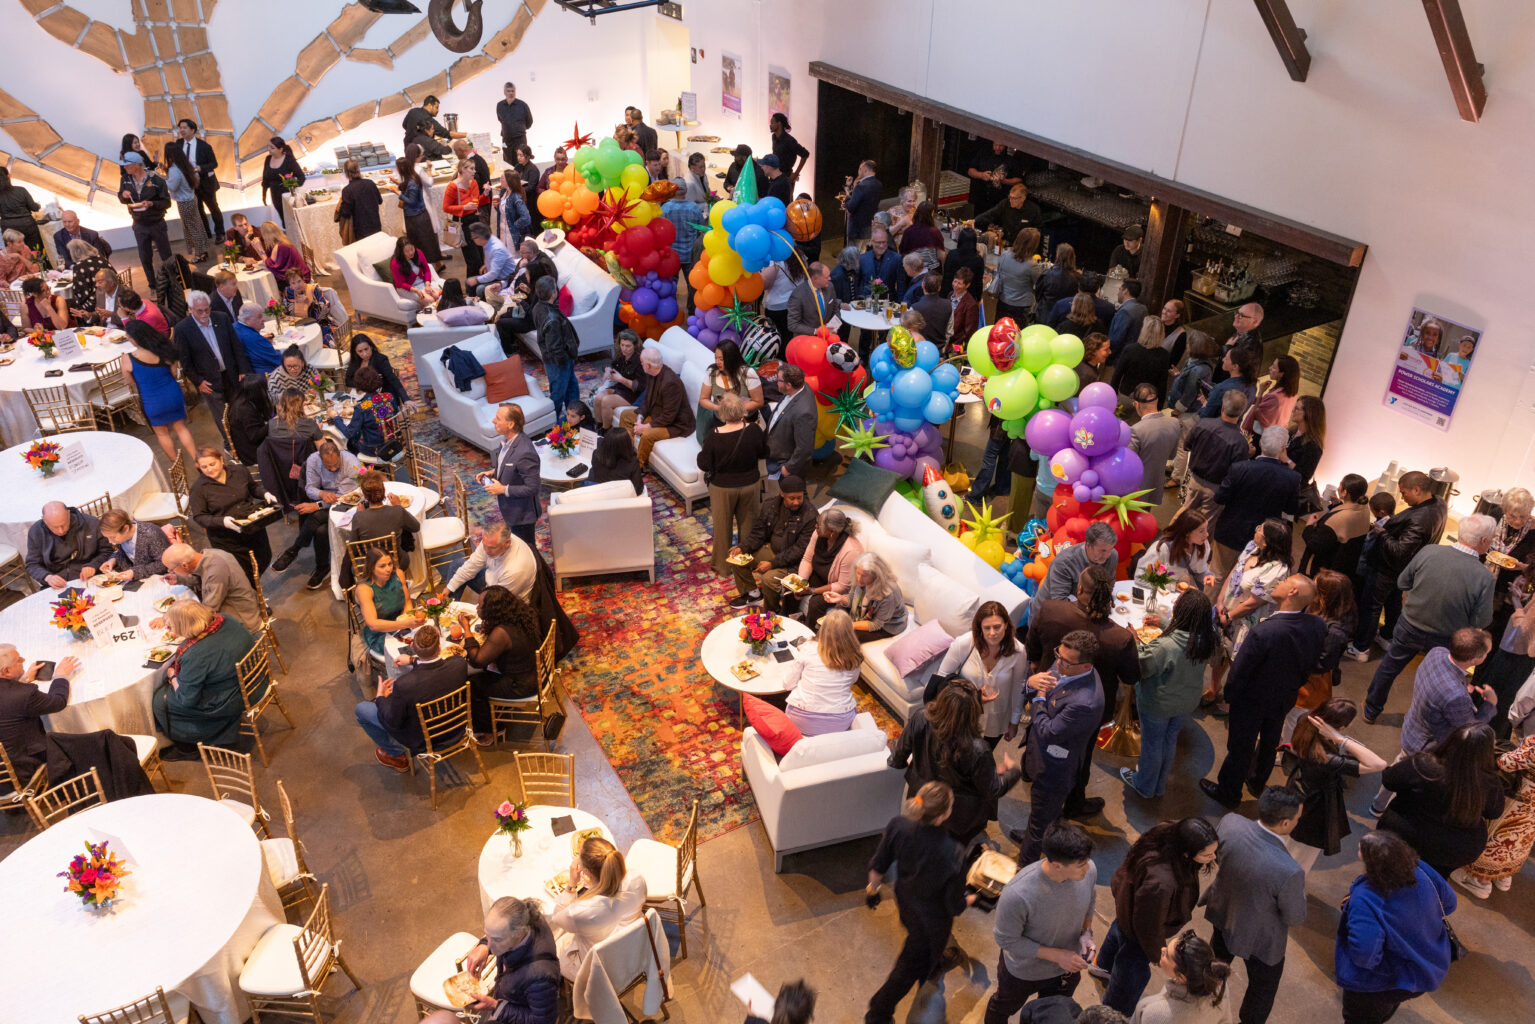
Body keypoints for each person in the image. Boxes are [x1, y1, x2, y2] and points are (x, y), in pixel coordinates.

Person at [1202, 574, 1324, 807]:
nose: (1279, 582)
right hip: (1284, 697)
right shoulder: (1317, 625)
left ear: (1293, 592)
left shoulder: (1265, 631)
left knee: (1240, 746)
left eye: (1286, 581)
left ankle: (1228, 793)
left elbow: (1240, 672)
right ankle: (1257, 783)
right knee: (1269, 741)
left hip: (1251, 700)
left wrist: (1230, 696)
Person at [1364, 514, 1495, 722]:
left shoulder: (1429, 552)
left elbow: (1402, 582)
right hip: (1448, 637)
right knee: (1439, 680)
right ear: (1484, 541)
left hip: (1410, 624)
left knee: (1389, 667)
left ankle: (1370, 711)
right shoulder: (1485, 577)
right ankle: (1423, 720)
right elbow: (1481, 620)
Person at [864, 781, 974, 1024]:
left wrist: (872, 891)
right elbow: (953, 905)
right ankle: (878, 1012)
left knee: (919, 953)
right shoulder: (952, 852)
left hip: (906, 903)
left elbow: (878, 866)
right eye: (951, 804)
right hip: (931, 922)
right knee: (908, 967)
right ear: (944, 814)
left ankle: (931, 965)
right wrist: (972, 897)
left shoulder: (898, 826)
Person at [1200, 788, 1305, 1024]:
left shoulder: (1230, 823)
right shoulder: (1290, 871)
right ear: (1286, 823)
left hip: (1224, 913)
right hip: (1262, 939)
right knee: (1262, 990)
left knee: (1214, 965)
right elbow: (1295, 916)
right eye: (1298, 818)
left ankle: (1202, 1006)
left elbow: (1218, 856)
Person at [1096, 819, 1219, 1014]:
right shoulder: (1162, 882)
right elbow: (1147, 927)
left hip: (1127, 907)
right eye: (1207, 854)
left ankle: (1102, 965)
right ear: (1187, 852)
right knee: (1132, 972)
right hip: (1139, 931)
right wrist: (1159, 955)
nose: (1213, 857)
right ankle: (1114, 1012)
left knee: (1118, 930)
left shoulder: (1168, 834)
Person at [1336, 831, 1457, 1024]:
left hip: (1382, 984)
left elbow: (1364, 954)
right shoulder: (1421, 868)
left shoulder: (1366, 898)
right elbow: (1450, 903)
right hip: (1426, 969)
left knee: (1360, 1018)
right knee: (1386, 1008)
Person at [984, 821, 1097, 1023]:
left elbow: (1091, 898)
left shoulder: (1088, 871)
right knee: (1002, 1008)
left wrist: (1086, 932)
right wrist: (1057, 955)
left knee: (1052, 1013)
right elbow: (1006, 940)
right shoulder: (1018, 894)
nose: (1087, 868)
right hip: (1024, 971)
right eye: (1081, 864)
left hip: (1065, 970)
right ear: (1057, 865)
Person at [888, 681, 1021, 846]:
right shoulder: (977, 748)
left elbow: (899, 756)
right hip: (958, 815)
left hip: (922, 794)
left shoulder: (921, 717)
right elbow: (994, 788)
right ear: (973, 713)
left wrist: (904, 761)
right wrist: (1012, 771)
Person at [1017, 631, 1107, 863]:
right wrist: (1031, 684)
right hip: (1040, 756)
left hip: (1053, 770)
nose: (1057, 663)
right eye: (1058, 654)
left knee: (1039, 826)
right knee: (1045, 816)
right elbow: (1042, 682)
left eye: (1065, 661)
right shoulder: (1066, 666)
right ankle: (1036, 832)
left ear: (1085, 665)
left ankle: (1026, 866)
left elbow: (1048, 732)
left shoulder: (1085, 702)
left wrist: (1039, 696)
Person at [1121, 590, 1219, 798]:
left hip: (1159, 704)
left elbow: (1142, 667)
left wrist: (1135, 641)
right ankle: (1159, 785)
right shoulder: (1207, 640)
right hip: (1187, 702)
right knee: (1169, 740)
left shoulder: (1164, 647)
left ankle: (1145, 786)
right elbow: (1186, 636)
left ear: (1180, 613)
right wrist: (1164, 623)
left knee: (1152, 744)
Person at [1377, 723, 1506, 879]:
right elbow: (1494, 812)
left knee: (1390, 870)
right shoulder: (1489, 782)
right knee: (1432, 879)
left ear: (1451, 740)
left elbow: (1389, 780)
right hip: (1455, 850)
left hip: (1405, 833)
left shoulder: (1422, 764)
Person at [1349, 470, 1447, 661]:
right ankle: (1387, 636)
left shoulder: (1419, 518)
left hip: (1387, 569)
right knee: (1393, 601)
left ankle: (1360, 648)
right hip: (1405, 569)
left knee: (1372, 606)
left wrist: (1381, 532)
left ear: (1417, 489)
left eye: (1404, 492)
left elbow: (1399, 551)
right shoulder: (1440, 504)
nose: (1402, 497)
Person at [1284, 699, 1389, 872]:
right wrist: (1341, 740)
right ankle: (1289, 886)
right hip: (1316, 809)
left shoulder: (1306, 720)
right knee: (1302, 856)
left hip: (1298, 791)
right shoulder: (1326, 758)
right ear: (1340, 728)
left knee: (1291, 841)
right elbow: (1378, 764)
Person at [153, 597, 258, 758]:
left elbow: (187, 700)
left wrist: (173, 676)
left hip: (235, 697)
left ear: (183, 626)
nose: (169, 628)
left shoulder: (196, 654)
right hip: (255, 677)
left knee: (161, 700)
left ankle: (189, 745)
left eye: (171, 626)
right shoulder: (225, 619)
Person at [356, 623, 469, 772]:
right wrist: (412, 660)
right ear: (440, 648)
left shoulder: (404, 685)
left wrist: (380, 698)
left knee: (361, 709)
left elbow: (393, 722)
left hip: (424, 740)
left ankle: (396, 755)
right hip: (458, 728)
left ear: (414, 649)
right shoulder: (459, 664)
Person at [434, 897, 560, 1024]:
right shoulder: (525, 916)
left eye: (497, 940)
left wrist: (496, 1006)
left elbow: (543, 1021)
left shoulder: (539, 977)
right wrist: (483, 946)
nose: (490, 946)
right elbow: (496, 933)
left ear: (519, 932)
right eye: (487, 936)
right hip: (510, 992)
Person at [547, 835, 647, 982]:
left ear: (585, 872)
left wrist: (571, 884)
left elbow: (557, 918)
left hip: (601, 968)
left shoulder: (581, 911)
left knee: (552, 943)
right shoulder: (636, 878)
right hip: (635, 948)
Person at [1453, 729, 1535, 896]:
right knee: (1521, 838)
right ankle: (1504, 876)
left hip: (1519, 798)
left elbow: (1507, 763)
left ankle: (1480, 882)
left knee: (1497, 836)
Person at [1210, 427, 1300, 575]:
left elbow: (1220, 497)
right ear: (1283, 449)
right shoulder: (1292, 478)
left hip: (1230, 531)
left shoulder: (1240, 468)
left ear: (1260, 444)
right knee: (1247, 583)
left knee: (1217, 576)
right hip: (1264, 540)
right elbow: (1291, 509)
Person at [458, 584, 541, 735]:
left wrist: (467, 630)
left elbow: (477, 660)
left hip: (521, 685)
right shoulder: (518, 615)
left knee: (470, 685)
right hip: (534, 672)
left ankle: (491, 730)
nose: (477, 608)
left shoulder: (501, 633)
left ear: (492, 610)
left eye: (480, 606)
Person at [698, 394, 768, 575]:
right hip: (750, 484)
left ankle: (723, 566)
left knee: (723, 527)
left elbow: (703, 464)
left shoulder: (713, 437)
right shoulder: (753, 430)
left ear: (722, 413)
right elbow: (764, 452)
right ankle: (746, 564)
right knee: (749, 526)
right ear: (742, 410)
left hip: (722, 488)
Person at [939, 601, 1025, 745]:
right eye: (987, 628)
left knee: (983, 758)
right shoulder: (964, 643)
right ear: (979, 628)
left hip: (996, 719)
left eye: (997, 627)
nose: (992, 633)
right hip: (962, 716)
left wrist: (1014, 721)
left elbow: (1018, 687)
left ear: (1006, 625)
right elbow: (941, 678)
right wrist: (974, 698)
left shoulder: (1018, 651)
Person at [173, 289, 251, 448]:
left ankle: (246, 439)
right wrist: (198, 382)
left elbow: (236, 346)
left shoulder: (221, 318)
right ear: (190, 309)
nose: (204, 314)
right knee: (221, 416)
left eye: (206, 309)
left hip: (232, 375)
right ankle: (231, 444)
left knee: (239, 408)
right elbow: (185, 361)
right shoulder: (182, 329)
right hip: (209, 381)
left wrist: (242, 370)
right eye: (199, 311)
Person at [188, 446, 276, 580]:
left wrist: (264, 493)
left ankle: (254, 588)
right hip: (227, 538)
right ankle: (252, 595)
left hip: (252, 526)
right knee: (242, 573)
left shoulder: (239, 471)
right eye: (204, 467)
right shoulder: (198, 489)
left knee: (264, 558)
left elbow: (253, 487)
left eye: (212, 464)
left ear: (221, 460)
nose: (209, 469)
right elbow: (199, 517)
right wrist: (222, 521)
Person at [730, 475, 816, 610]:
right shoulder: (770, 505)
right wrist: (743, 547)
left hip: (793, 563)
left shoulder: (810, 515)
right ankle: (753, 594)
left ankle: (772, 611)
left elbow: (799, 550)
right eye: (792, 498)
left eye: (799, 498)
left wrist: (772, 564)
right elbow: (759, 532)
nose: (796, 502)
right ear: (782, 494)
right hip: (773, 551)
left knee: (768, 579)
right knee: (736, 557)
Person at [0, 648, 84, 782]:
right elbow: (58, 702)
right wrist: (61, 676)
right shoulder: (24, 695)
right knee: (101, 741)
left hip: (3, 775)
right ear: (6, 671)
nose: (24, 660)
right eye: (18, 660)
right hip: (26, 770)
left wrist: (24, 679)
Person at [780, 610, 864, 736]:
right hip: (841, 722)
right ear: (850, 631)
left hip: (801, 719)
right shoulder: (855, 657)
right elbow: (852, 682)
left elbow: (787, 684)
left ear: (823, 629)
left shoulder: (808, 648)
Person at [159, 543, 263, 634]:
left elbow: (207, 611)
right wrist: (180, 579)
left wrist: (171, 619)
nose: (171, 571)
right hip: (247, 604)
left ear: (184, 565)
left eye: (172, 569)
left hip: (244, 621)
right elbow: (203, 578)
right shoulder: (211, 553)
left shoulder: (215, 574)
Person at [1130, 930, 1230, 1024]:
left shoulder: (1155, 1014)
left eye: (1167, 956)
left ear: (1181, 977)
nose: (1162, 949)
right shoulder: (1220, 986)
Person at [783, 510, 863, 622]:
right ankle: (787, 623)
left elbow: (842, 586)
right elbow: (807, 559)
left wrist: (812, 590)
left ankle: (811, 633)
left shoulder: (851, 551)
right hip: (820, 576)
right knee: (791, 588)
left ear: (832, 531)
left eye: (819, 525)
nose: (816, 526)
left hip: (839, 588)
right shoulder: (818, 533)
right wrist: (801, 583)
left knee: (816, 603)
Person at [620, 348, 695, 468]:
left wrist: (645, 427)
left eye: (642, 362)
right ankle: (626, 453)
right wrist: (639, 419)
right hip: (657, 414)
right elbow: (647, 400)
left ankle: (637, 466)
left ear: (648, 365)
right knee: (625, 415)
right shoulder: (651, 374)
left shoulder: (670, 383)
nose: (641, 364)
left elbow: (669, 417)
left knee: (647, 435)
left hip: (676, 424)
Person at [1179, 390, 1250, 516]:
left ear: (1222, 407)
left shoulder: (1203, 424)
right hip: (1216, 489)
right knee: (1205, 523)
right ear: (1242, 412)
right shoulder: (1240, 442)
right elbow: (1238, 473)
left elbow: (1187, 446)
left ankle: (1170, 535)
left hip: (1194, 480)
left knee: (1184, 514)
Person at [483, 403, 542, 547]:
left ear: (510, 424)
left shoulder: (524, 451)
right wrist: (492, 473)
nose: (493, 421)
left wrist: (503, 489)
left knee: (528, 551)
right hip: (511, 510)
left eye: (498, 418)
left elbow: (533, 487)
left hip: (523, 515)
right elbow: (510, 466)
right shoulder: (505, 442)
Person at [355, 547, 424, 668]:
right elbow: (373, 624)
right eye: (382, 566)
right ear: (371, 568)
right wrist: (406, 624)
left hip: (401, 624)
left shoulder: (398, 574)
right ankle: (406, 681)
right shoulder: (364, 589)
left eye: (390, 564)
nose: (388, 569)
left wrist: (406, 619)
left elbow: (407, 601)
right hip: (379, 633)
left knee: (427, 641)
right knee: (412, 650)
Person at [25, 501, 112, 589]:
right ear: (44, 520)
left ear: (68, 514)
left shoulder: (91, 523)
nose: (61, 531)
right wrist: (47, 577)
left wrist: (93, 565)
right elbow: (32, 564)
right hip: (58, 582)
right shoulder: (36, 532)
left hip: (90, 577)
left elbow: (107, 551)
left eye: (64, 525)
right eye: (55, 527)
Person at [824, 553, 907, 643]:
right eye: (858, 573)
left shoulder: (888, 593)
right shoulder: (859, 580)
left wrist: (849, 625)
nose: (859, 578)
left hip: (887, 625)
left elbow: (876, 624)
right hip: (867, 612)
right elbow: (852, 599)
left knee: (848, 636)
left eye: (864, 575)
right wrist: (840, 598)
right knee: (835, 613)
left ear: (875, 575)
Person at [1299, 473, 1372, 577]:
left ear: (1345, 493)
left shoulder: (1336, 520)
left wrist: (1309, 525)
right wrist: (1337, 505)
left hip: (1327, 569)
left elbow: (1315, 545)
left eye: (1340, 485)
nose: (1338, 488)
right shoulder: (1365, 508)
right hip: (1347, 566)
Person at [117, 151, 171, 284]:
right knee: (145, 257)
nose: (124, 167)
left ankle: (173, 282)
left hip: (157, 223)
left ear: (137, 165)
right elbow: (121, 197)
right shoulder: (125, 180)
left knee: (166, 256)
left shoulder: (156, 180)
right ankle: (152, 285)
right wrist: (123, 195)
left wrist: (152, 204)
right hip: (139, 224)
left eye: (127, 165)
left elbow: (167, 202)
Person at [1139, 507, 1217, 589]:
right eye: (1201, 531)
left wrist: (1207, 575)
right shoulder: (1163, 548)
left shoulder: (1202, 545)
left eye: (1206, 529)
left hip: (1187, 594)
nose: (1207, 534)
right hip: (1162, 594)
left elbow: (1199, 571)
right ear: (1187, 532)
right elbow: (1141, 577)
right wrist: (1175, 586)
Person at [1040, 522, 1119, 601]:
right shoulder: (1064, 563)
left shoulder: (1113, 555)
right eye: (1103, 551)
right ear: (1088, 545)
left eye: (1110, 549)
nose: (1107, 555)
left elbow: (1109, 583)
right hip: (1047, 609)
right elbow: (1060, 603)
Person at [1127, 385, 1182, 496]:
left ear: (1137, 404)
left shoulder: (1136, 430)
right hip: (1155, 484)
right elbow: (1172, 455)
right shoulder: (1174, 423)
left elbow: (1129, 464)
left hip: (1135, 489)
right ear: (1156, 400)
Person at [395, 147, 444, 270]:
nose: (422, 157)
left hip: (417, 213)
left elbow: (411, 199)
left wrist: (397, 192)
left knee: (424, 239)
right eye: (421, 155)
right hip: (420, 210)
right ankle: (435, 262)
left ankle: (431, 263)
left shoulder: (412, 174)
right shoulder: (414, 172)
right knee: (427, 237)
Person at [764, 363, 815, 480]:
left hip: (787, 466)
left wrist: (788, 468)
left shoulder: (803, 412)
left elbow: (804, 448)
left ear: (788, 385)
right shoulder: (800, 387)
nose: (776, 382)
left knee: (793, 496)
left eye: (779, 380)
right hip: (779, 458)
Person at [162, 141, 208, 262]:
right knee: (197, 225)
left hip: (184, 203)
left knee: (191, 228)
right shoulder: (185, 165)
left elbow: (172, 186)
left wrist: (161, 179)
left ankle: (198, 255)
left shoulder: (174, 170)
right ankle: (203, 251)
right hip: (191, 199)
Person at [96, 509, 172, 581]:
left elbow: (165, 564)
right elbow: (122, 552)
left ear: (125, 528)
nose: (110, 541)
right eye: (107, 538)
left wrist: (135, 572)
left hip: (159, 579)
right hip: (136, 579)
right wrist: (113, 560)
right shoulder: (123, 536)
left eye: (112, 537)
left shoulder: (151, 534)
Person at [700, 339, 765, 421]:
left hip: (744, 422)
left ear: (731, 358)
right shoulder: (711, 372)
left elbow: (758, 402)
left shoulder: (748, 373)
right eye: (716, 358)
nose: (717, 362)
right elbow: (703, 399)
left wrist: (734, 408)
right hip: (721, 421)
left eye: (721, 359)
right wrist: (718, 408)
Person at [1113, 317, 1171, 407]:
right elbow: (1162, 383)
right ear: (1161, 334)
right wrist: (1159, 405)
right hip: (1147, 400)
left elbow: (1117, 375)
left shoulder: (1130, 349)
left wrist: (1113, 394)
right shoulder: (1164, 355)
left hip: (1126, 395)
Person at [344, 333, 410, 411]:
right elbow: (348, 381)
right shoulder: (355, 361)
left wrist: (406, 399)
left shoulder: (380, 359)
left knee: (359, 413)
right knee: (348, 408)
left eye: (366, 349)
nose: (364, 354)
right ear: (355, 352)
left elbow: (393, 380)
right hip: (363, 397)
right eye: (360, 351)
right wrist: (364, 384)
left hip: (383, 397)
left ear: (371, 346)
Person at [1196, 339, 1259, 419]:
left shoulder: (1221, 389)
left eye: (1226, 358)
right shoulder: (1253, 387)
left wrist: (1205, 405)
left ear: (1235, 366)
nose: (1223, 359)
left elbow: (1205, 417)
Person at [1241, 355, 1301, 438]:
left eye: (1273, 367)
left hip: (1261, 435)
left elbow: (1257, 412)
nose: (1270, 368)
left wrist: (1260, 393)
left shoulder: (1275, 396)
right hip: (1275, 435)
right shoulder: (1292, 393)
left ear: (1282, 373)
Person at [1167, 331, 1217, 416]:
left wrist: (1177, 411)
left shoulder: (1198, 370)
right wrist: (1179, 375)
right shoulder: (1193, 360)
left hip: (1185, 412)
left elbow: (1189, 393)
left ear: (1194, 347)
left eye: (1188, 344)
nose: (1186, 346)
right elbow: (1189, 380)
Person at [226, 373, 272, 467]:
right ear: (256, 392)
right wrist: (273, 423)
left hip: (250, 444)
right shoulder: (245, 410)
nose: (266, 391)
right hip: (252, 452)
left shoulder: (242, 399)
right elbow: (254, 436)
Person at [787, 261, 841, 338]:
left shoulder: (830, 287)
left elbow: (835, 308)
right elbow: (793, 325)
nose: (830, 278)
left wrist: (834, 325)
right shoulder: (798, 295)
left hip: (827, 336)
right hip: (808, 340)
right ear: (815, 278)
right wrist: (816, 331)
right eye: (827, 277)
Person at [259, 137, 304, 228]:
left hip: (288, 197)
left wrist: (291, 186)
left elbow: (301, 177)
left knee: (293, 221)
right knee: (284, 221)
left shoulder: (289, 160)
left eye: (272, 148)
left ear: (280, 149)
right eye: (268, 147)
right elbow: (265, 179)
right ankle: (289, 239)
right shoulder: (268, 159)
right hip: (275, 196)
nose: (269, 150)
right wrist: (264, 194)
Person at [975, 183, 1042, 245]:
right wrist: (974, 221)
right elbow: (988, 215)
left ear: (1023, 198)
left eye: (1014, 198)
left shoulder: (1033, 210)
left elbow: (1037, 231)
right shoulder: (1005, 204)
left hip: (1022, 245)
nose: (1010, 200)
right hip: (1005, 243)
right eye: (1010, 197)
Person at [585, 427, 644, 497]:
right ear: (626, 444)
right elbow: (637, 489)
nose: (633, 438)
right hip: (621, 500)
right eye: (631, 437)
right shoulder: (632, 462)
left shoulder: (596, 454)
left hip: (598, 496)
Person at [0, 166, 44, 253]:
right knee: (35, 253)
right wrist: (38, 205)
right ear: (8, 176)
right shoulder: (21, 190)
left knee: (15, 256)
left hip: (9, 228)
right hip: (28, 225)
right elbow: (34, 208)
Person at [231, 303, 280, 375]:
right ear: (247, 320)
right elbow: (277, 360)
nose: (263, 319)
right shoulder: (255, 338)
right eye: (259, 317)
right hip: (267, 375)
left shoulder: (234, 326)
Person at [390, 237, 438, 309]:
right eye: (406, 251)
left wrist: (427, 285)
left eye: (412, 249)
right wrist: (416, 291)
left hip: (421, 283)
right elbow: (400, 283)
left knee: (437, 295)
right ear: (401, 252)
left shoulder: (418, 253)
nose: (410, 252)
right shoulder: (395, 263)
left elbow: (426, 270)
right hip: (406, 289)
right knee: (430, 300)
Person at [842, 159, 881, 243]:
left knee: (854, 254)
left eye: (860, 169)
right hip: (870, 227)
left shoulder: (861, 186)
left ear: (865, 170)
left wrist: (847, 197)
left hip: (857, 230)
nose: (858, 171)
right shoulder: (878, 184)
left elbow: (851, 207)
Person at [1108, 280, 1149, 358]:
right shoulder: (1143, 308)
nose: (1117, 293)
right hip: (1134, 355)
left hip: (1119, 357)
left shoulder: (1125, 311)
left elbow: (1116, 339)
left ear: (1125, 291)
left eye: (1119, 289)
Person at [1037, 243, 1082, 314]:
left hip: (1045, 315)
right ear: (1073, 257)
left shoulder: (1047, 274)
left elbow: (1038, 294)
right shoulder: (1078, 278)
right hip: (1065, 316)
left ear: (1058, 256)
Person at [495, 82, 534, 158]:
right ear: (504, 92)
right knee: (507, 160)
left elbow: (529, 122)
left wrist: (518, 128)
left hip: (520, 139)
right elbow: (500, 119)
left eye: (513, 91)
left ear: (515, 91)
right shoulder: (500, 105)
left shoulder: (522, 105)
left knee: (521, 160)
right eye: (508, 91)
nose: (511, 93)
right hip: (506, 140)